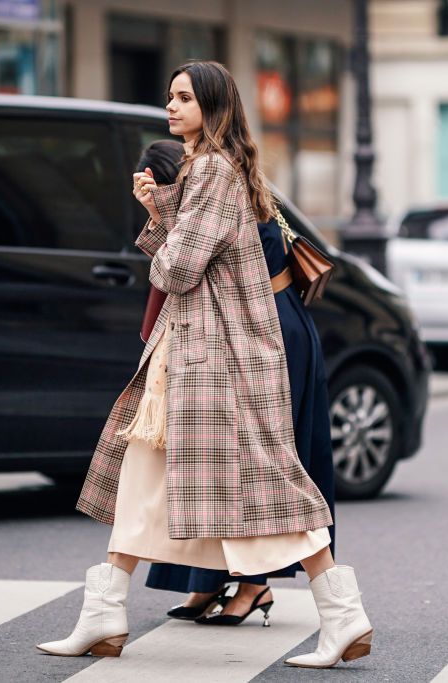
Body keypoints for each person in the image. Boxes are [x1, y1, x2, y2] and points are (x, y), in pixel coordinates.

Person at [37, 60, 371, 670]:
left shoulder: (214, 170)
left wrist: (165, 225)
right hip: (193, 355)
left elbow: (179, 267)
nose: (171, 107)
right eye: (169, 96)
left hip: (218, 360)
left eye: (184, 98)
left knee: (268, 492)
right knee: (143, 481)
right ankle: (103, 615)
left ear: (211, 106)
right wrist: (162, 210)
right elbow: (193, 253)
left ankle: (344, 617)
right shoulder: (207, 169)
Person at [137, 143, 336, 626]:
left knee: (256, 463)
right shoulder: (229, 181)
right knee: (207, 463)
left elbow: (178, 270)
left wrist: (156, 213)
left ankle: (254, 584)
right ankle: (206, 581)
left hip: (266, 330)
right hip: (264, 326)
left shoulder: (213, 191)